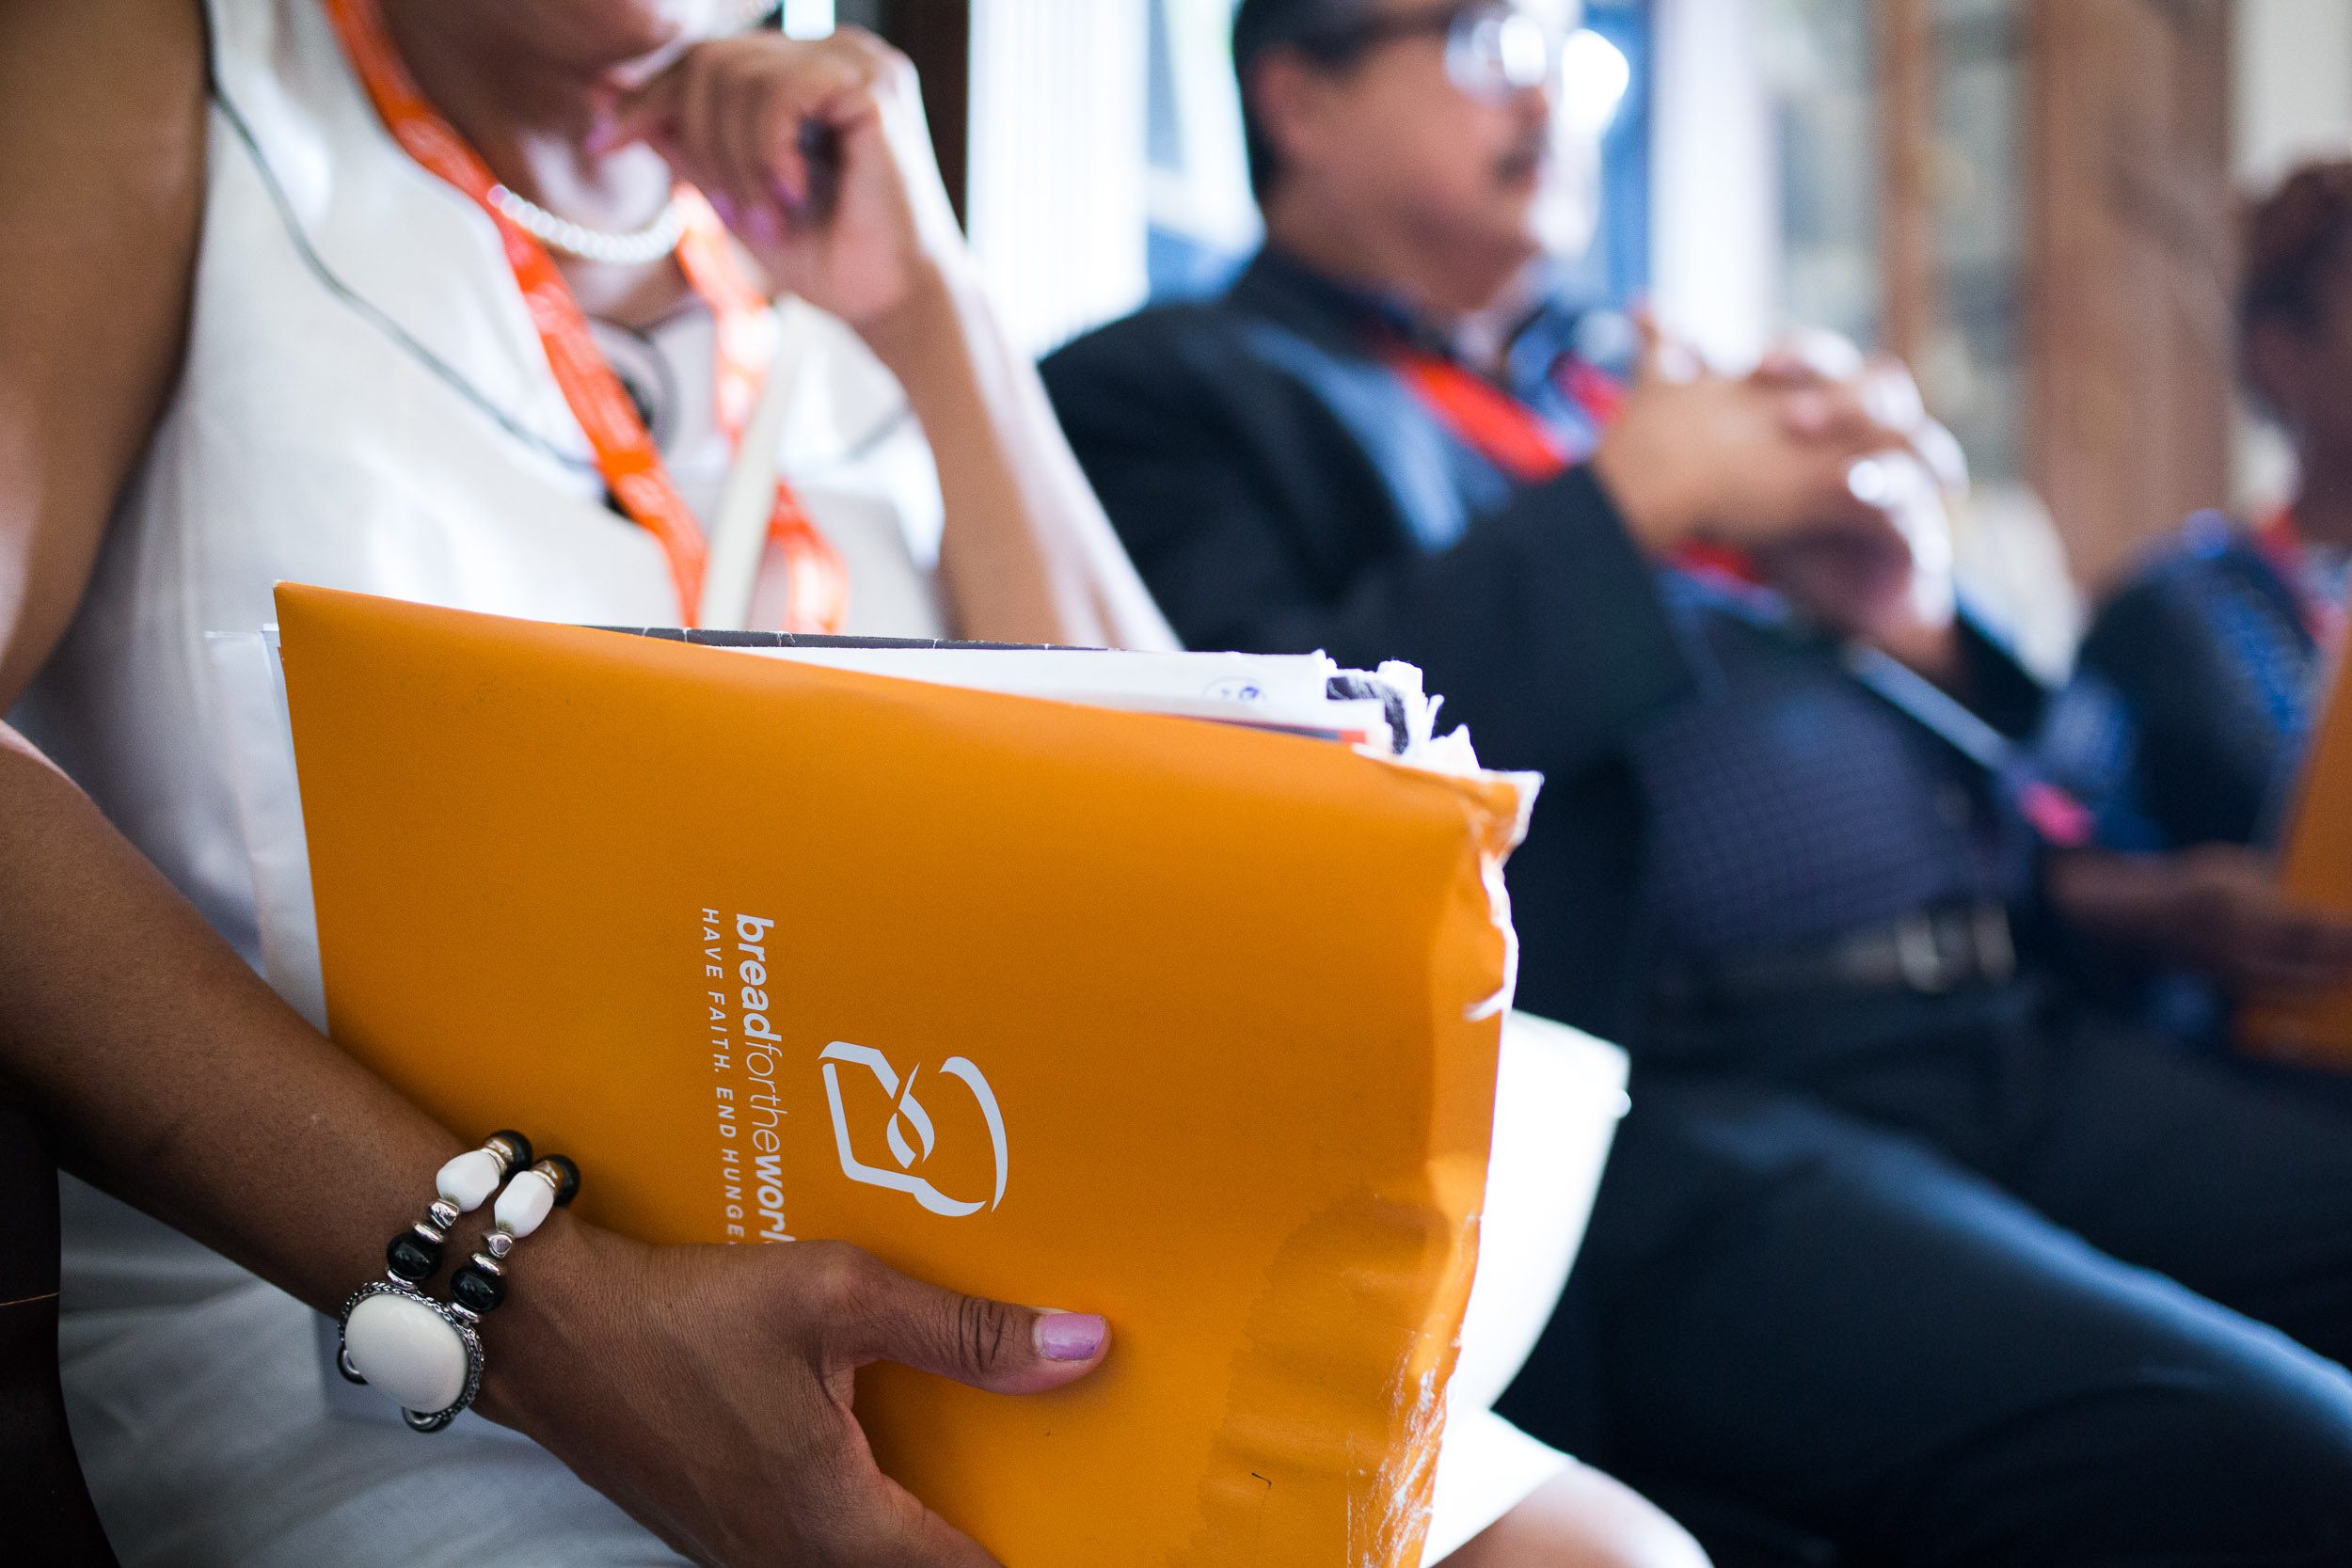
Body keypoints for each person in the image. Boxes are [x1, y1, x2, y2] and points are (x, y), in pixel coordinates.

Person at [1, 1, 1708, 1564]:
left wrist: (936, 321)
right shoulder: (164, 64)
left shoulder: (811, 221)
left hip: (941, 1310)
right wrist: (557, 1321)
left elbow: (1211, 823)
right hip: (388, 1338)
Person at [1041, 1, 2352, 1560]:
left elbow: (2023, 758)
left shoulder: (1611, 379)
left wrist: (1902, 612)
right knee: (2292, 1460)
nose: (1550, 97)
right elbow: (1274, 782)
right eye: (1483, 43)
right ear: (1297, 99)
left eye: (1567, 50)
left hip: (1997, 1022)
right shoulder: (1168, 391)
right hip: (1687, 1091)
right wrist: (1632, 500)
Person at [2042, 158, 2352, 1037]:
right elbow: (2052, 857)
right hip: (2269, 1067)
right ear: (2280, 354)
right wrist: (2172, 908)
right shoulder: (2172, 609)